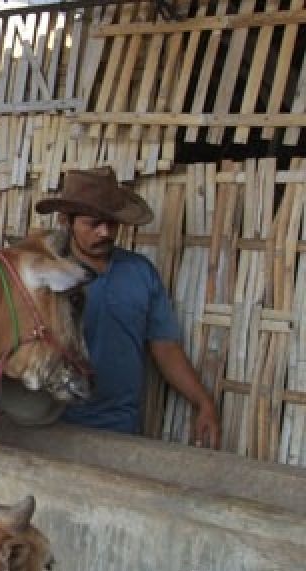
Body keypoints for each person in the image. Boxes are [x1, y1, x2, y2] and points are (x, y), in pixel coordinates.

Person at [35, 167, 222, 448]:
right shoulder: (43, 276)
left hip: (119, 427)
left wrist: (203, 402)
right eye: (93, 223)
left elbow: (165, 348)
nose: (105, 232)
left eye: (112, 223)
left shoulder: (140, 273)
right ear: (66, 221)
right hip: (51, 426)